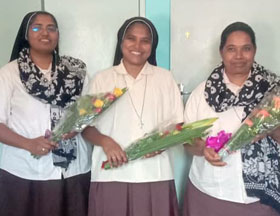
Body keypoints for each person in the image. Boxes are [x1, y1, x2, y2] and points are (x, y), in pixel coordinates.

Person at [82, 17, 184, 216]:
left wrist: (160, 143)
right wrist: (105, 141)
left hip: (156, 174)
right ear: (121, 42)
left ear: (152, 46)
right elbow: (85, 127)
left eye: (145, 40)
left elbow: (178, 124)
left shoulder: (165, 78)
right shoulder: (102, 79)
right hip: (110, 175)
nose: (138, 45)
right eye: (131, 38)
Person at [183, 21, 280, 216]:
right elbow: (186, 141)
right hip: (209, 193)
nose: (238, 56)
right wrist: (203, 149)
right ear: (221, 52)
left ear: (254, 50)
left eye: (246, 48)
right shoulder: (202, 93)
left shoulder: (274, 90)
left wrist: (269, 128)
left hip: (261, 198)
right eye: (231, 49)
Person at [0, 11, 92, 216]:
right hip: (25, 172)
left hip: (74, 171)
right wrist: (28, 143)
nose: (45, 33)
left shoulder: (76, 72)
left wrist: (76, 128)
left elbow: (89, 112)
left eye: (51, 28)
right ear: (26, 34)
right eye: (36, 27)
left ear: (58, 35)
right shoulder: (9, 74)